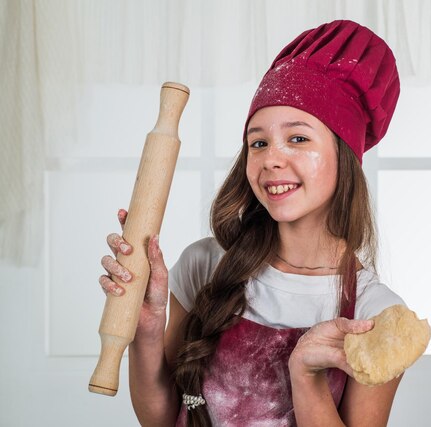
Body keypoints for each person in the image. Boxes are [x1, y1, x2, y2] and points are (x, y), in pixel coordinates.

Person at [99, 19, 404, 426]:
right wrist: (148, 328)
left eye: (298, 138)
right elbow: (164, 418)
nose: (271, 159)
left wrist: (306, 375)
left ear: (344, 154)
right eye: (258, 142)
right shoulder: (205, 265)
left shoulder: (376, 316)